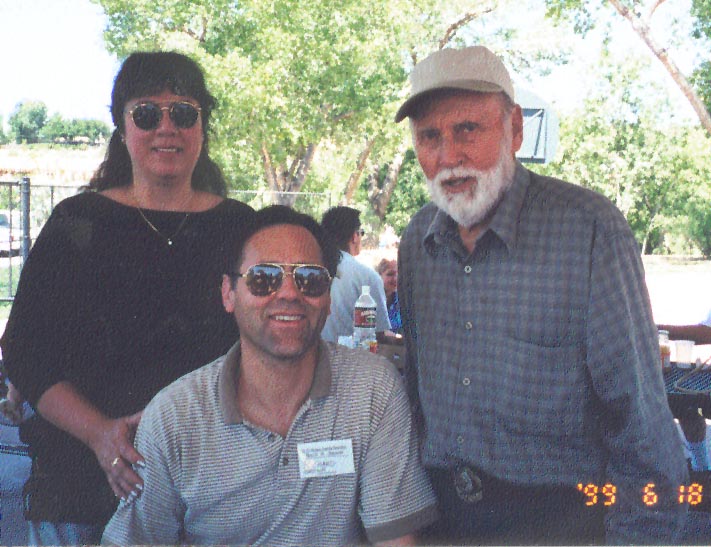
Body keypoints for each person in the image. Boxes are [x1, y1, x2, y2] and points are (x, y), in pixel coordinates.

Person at [395, 45, 688, 544]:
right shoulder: (418, 242)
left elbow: (639, 421)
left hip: (562, 522)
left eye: (468, 129)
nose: (448, 157)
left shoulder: (588, 230)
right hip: (442, 519)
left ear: (514, 129)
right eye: (429, 137)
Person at [0, 51, 254, 545]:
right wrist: (100, 433)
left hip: (211, 493)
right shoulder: (78, 222)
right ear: (122, 127)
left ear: (203, 126)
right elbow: (25, 351)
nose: (166, 128)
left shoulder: (240, 226)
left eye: (183, 113)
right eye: (146, 113)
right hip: (78, 491)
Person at [101, 205, 438, 545]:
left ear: (328, 298)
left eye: (310, 278)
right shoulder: (173, 418)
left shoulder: (372, 390)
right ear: (228, 293)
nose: (290, 293)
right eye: (264, 278)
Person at [320, 206, 391, 343]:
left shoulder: (307, 270)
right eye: (361, 233)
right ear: (354, 236)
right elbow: (377, 335)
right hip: (351, 360)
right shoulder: (367, 277)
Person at [376, 257, 402, 334]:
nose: (395, 279)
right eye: (390, 274)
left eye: (398, 274)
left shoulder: (402, 300)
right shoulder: (370, 301)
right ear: (378, 276)